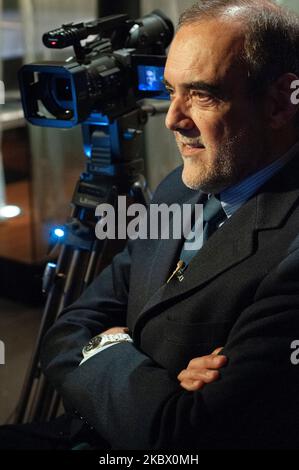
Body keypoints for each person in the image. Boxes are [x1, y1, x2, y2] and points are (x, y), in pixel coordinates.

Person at [2, 0, 299, 449]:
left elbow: (183, 434)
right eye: (169, 90)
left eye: (202, 94)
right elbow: (68, 327)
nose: (174, 120)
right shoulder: (177, 191)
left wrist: (111, 347)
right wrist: (157, 378)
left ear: (279, 103)